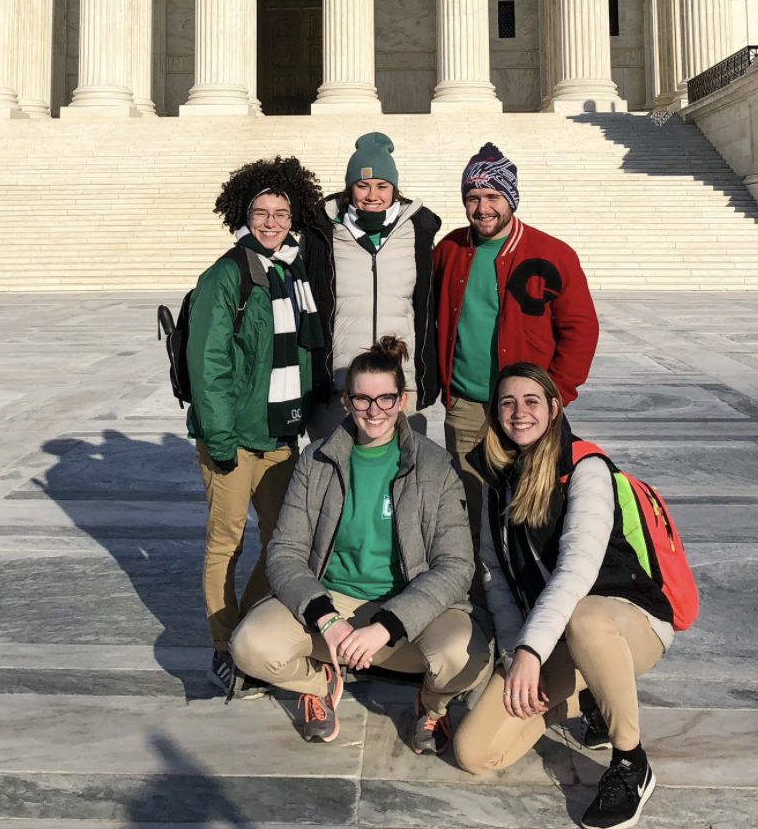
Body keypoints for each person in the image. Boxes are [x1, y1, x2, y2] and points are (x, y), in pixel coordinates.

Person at [231, 337, 488, 749]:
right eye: (363, 400)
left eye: (385, 399)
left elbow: (456, 566)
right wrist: (327, 620)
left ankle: (433, 706)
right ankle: (319, 683)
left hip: (408, 606)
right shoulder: (316, 461)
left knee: (465, 658)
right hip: (332, 600)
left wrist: (385, 627)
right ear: (347, 402)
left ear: (402, 400)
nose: (375, 411)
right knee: (249, 646)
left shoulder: (435, 465)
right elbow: (285, 553)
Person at [452, 363, 671, 829]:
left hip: (627, 623)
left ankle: (631, 762)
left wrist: (533, 652)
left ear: (553, 408)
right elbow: (494, 575)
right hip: (556, 639)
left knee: (586, 617)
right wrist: (516, 657)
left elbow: (576, 571)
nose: (519, 412)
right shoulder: (497, 481)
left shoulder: (585, 468)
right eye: (507, 403)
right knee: (476, 752)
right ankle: (592, 690)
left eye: (531, 401)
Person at [186, 156, 326, 694]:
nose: (271, 222)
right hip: (235, 438)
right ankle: (225, 645)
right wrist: (218, 437)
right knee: (227, 543)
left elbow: (303, 355)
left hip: (280, 435)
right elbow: (209, 362)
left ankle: (246, 624)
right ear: (243, 214)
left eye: (281, 212)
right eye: (261, 212)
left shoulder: (291, 271)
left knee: (283, 544)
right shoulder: (226, 273)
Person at [434, 143, 599, 546]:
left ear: (510, 199)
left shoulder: (553, 254)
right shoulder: (449, 250)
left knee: (531, 513)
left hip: (528, 409)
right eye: (472, 198)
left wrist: (554, 393)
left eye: (492, 196)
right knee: (468, 515)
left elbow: (581, 330)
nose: (482, 208)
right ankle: (477, 598)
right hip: (468, 406)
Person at [303, 132, 442, 439]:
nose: (372, 195)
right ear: (349, 188)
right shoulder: (322, 232)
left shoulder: (417, 231)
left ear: (394, 189)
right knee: (334, 479)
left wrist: (424, 379)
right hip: (338, 388)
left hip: (401, 386)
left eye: (382, 185)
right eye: (362, 185)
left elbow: (426, 307)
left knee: (401, 480)